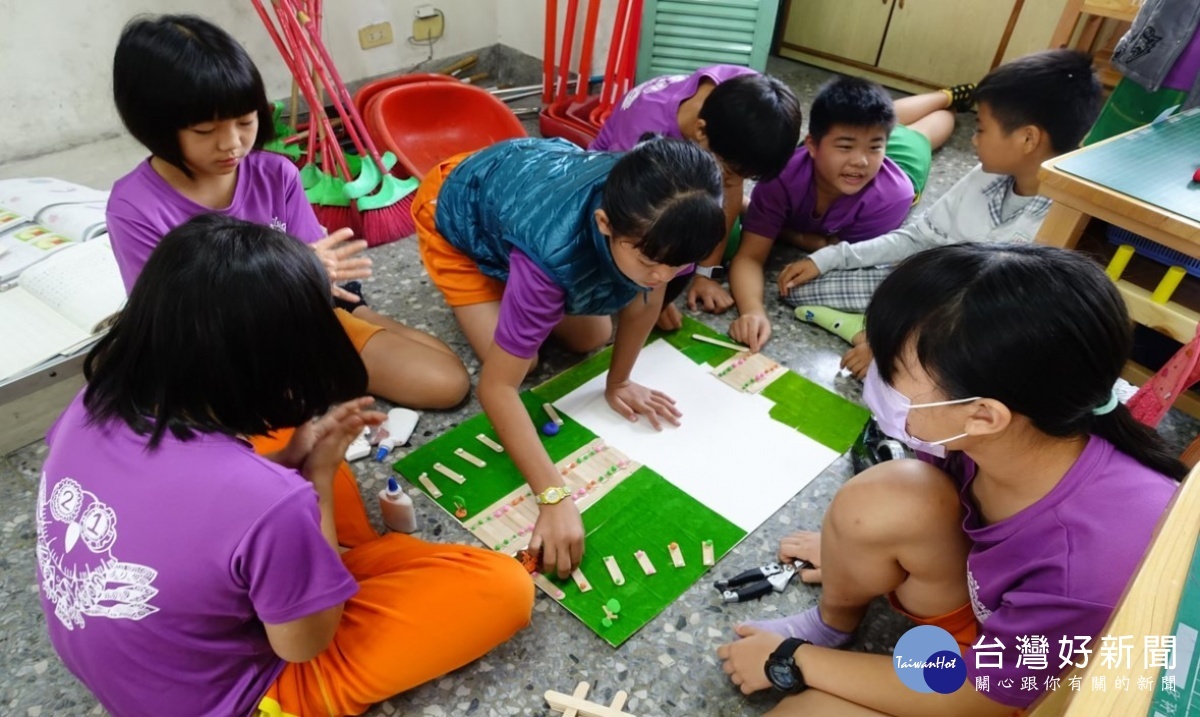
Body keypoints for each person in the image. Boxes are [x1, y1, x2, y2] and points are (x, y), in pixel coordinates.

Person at [35, 214, 533, 717]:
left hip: (142, 669)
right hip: (236, 697)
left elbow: (188, 509)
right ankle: (322, 567)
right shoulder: (269, 499)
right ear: (273, 366)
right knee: (500, 588)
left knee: (295, 444)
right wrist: (312, 477)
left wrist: (292, 460)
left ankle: (316, 563)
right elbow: (303, 646)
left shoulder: (94, 400)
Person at [716, 242, 1184, 715]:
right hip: (995, 633)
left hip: (1029, 696)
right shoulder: (1009, 432)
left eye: (893, 367)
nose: (870, 369)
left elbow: (981, 698)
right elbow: (908, 506)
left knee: (805, 712)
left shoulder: (1085, 569)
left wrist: (795, 660)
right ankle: (834, 625)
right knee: (881, 498)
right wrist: (851, 559)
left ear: (983, 415)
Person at [105, 14, 469, 409]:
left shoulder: (276, 173)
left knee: (448, 382)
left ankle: (350, 325)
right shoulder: (135, 208)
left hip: (302, 316)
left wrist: (321, 280)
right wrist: (290, 274)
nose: (232, 144)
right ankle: (325, 358)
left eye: (245, 121)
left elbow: (317, 273)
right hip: (222, 348)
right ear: (153, 125)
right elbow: (172, 323)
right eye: (205, 132)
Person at [413, 136, 725, 578]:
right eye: (651, 261)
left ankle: (515, 279)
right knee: (528, 362)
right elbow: (497, 388)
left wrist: (619, 381)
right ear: (604, 223)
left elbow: (646, 294)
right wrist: (553, 497)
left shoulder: (673, 215)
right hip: (457, 206)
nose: (664, 277)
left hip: (529, 192)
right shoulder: (552, 257)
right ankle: (501, 274)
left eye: (678, 266)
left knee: (590, 337)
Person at [779, 49, 1102, 378]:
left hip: (981, 327)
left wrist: (890, 346)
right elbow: (919, 237)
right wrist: (830, 257)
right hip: (932, 295)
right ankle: (873, 331)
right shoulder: (984, 176)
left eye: (981, 128)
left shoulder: (1063, 220)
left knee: (962, 368)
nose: (974, 139)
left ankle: (886, 340)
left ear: (1027, 138)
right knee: (800, 289)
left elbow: (1004, 319)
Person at [729, 76, 959, 351]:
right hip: (855, 159)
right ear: (811, 145)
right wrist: (752, 310)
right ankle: (945, 94)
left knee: (921, 134)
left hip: (904, 161)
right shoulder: (780, 177)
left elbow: (850, 253)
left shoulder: (892, 195)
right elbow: (750, 256)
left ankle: (949, 100)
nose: (860, 160)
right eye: (845, 147)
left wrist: (792, 234)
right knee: (872, 120)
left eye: (875, 147)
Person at [590, 65, 803, 329]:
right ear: (701, 131)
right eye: (728, 171)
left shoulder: (749, 96)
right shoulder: (643, 138)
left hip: (688, 182)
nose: (735, 182)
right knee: (668, 243)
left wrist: (707, 274)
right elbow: (631, 219)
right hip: (613, 181)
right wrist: (648, 299)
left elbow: (731, 189)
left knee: (727, 239)